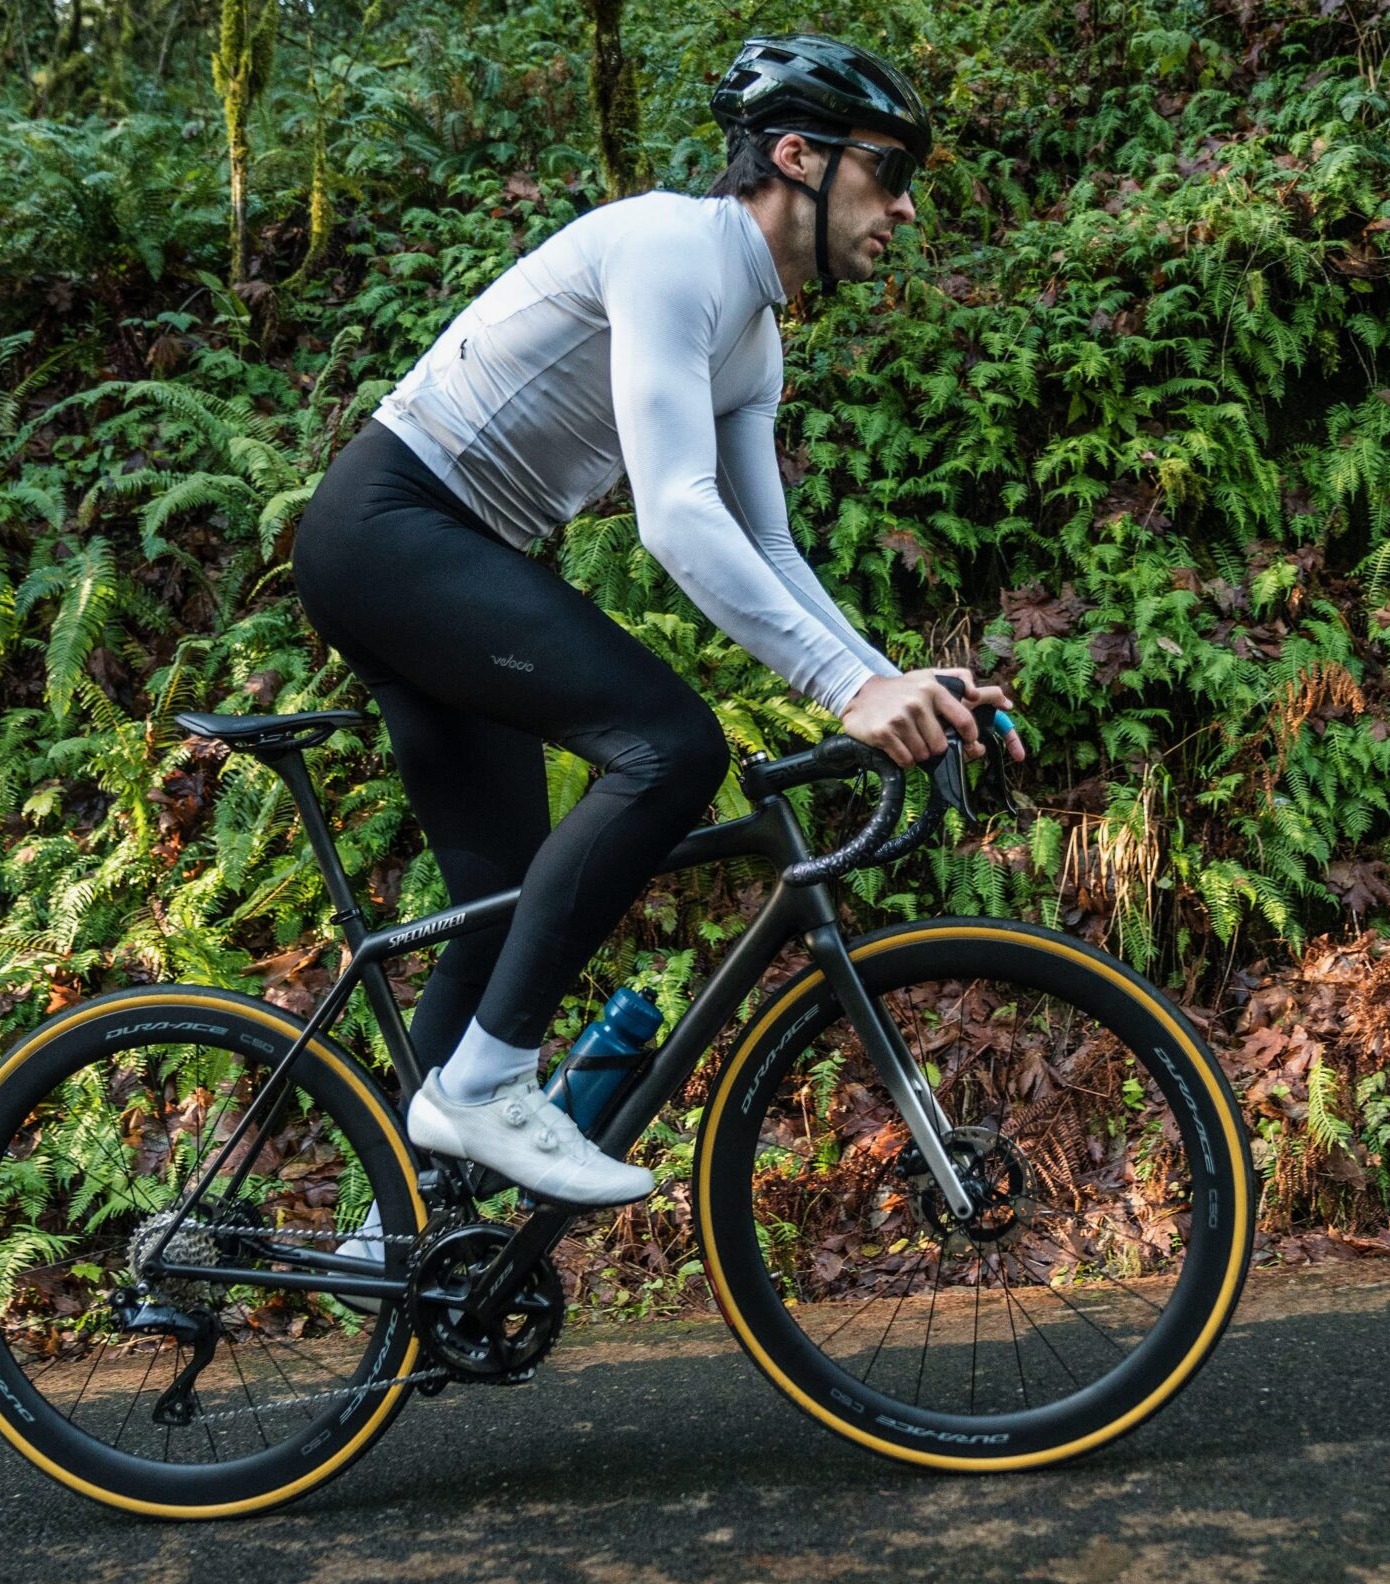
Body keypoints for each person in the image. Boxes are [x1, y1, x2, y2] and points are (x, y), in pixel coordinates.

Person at [291, 34, 1025, 1211]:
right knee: (672, 746)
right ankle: (483, 1089)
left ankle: (398, 1242)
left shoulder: (754, 330)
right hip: (392, 527)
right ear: (798, 155)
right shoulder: (674, 249)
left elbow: (769, 546)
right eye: (885, 172)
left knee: (501, 907)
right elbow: (676, 516)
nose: (903, 205)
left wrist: (894, 680)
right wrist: (846, 690)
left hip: (438, 550)